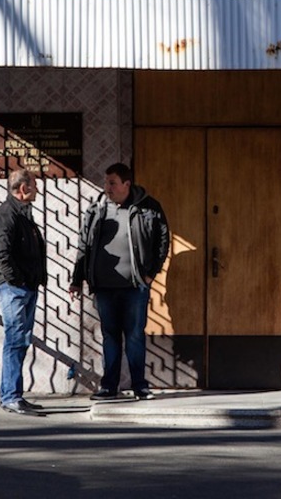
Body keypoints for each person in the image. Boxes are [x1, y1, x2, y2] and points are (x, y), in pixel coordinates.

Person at [69, 163, 170, 401]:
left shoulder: (149, 207)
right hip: (104, 287)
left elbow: (162, 242)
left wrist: (150, 274)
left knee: (135, 335)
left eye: (112, 183)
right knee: (110, 336)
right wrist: (76, 279)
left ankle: (140, 386)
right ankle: (109, 386)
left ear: (126, 184)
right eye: (105, 183)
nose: (107, 188)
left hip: (135, 286)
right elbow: (84, 246)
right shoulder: (96, 211)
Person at [0, 168, 48, 415]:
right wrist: (18, 281)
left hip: (24, 287)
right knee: (15, 340)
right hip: (15, 289)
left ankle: (15, 395)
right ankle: (10, 396)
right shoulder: (7, 215)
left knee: (20, 341)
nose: (37, 190)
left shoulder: (21, 214)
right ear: (23, 189)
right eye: (34, 185)